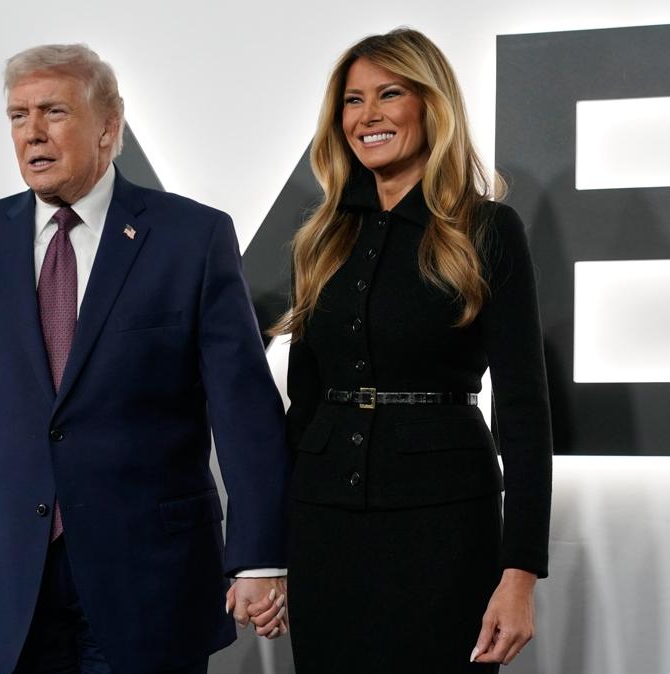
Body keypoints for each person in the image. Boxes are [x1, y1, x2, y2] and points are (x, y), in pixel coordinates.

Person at [0, 43, 290, 674]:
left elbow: (244, 409)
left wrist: (260, 556)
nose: (32, 133)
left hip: (152, 578)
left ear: (108, 126)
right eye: (18, 116)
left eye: (53, 112)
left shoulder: (191, 237)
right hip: (4, 579)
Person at [271, 28, 553, 673]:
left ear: (432, 105)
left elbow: (524, 408)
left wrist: (519, 574)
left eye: (389, 94)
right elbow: (303, 406)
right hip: (323, 527)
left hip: (444, 527)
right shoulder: (320, 238)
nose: (367, 116)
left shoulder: (486, 228)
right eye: (352, 100)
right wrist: (269, 551)